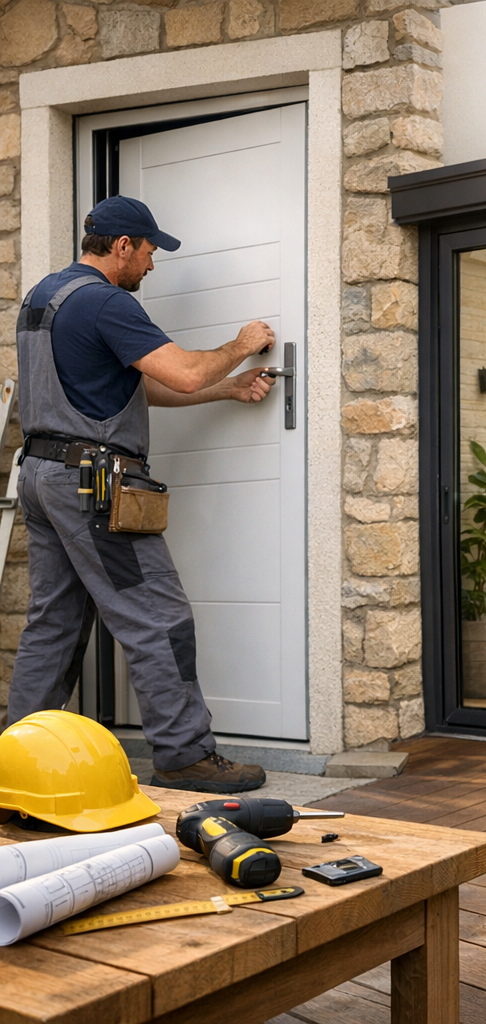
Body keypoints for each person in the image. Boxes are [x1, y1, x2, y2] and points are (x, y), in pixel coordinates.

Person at [9, 195, 278, 793]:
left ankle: (17, 760)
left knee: (52, 623)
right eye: (150, 252)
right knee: (158, 617)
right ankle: (185, 754)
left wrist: (227, 391)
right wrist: (239, 343)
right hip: (95, 484)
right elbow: (181, 370)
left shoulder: (43, 299)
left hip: (43, 476)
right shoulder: (107, 302)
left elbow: (131, 388)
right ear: (122, 247)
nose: (153, 266)